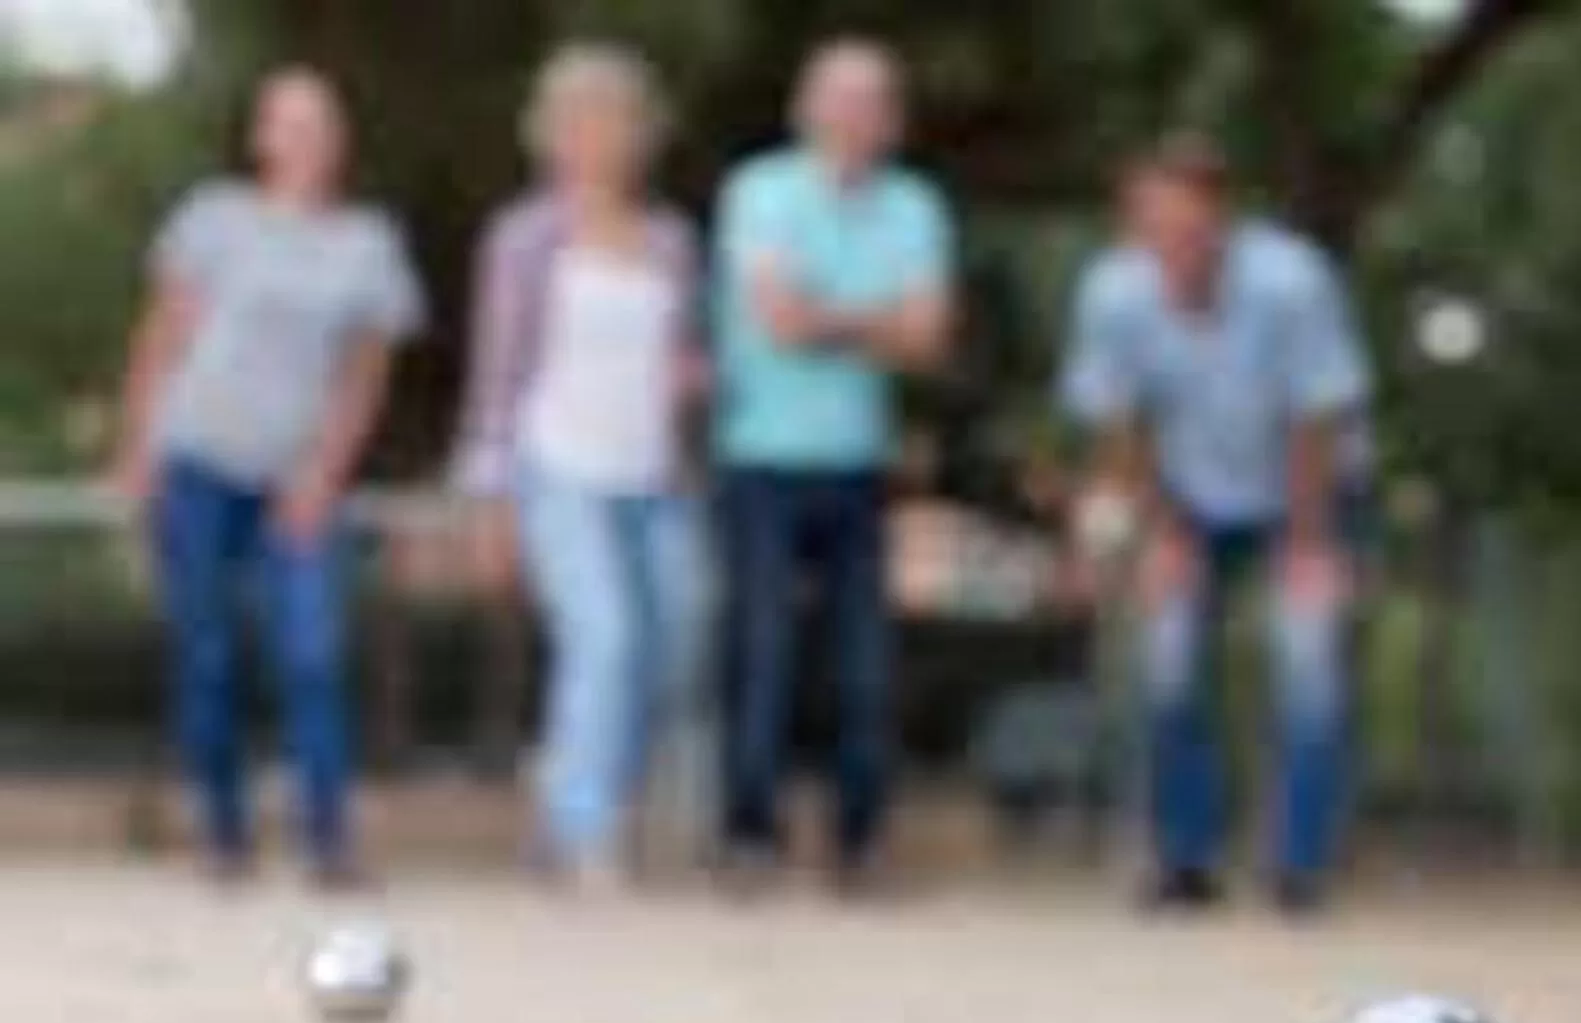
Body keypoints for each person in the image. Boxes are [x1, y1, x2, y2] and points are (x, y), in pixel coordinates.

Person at [110, 67, 425, 887]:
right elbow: (161, 339)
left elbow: (364, 379)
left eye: (318, 123)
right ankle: (224, 835)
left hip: (298, 481)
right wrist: (138, 448)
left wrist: (323, 473)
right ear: (260, 137)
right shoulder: (212, 220)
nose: (302, 139)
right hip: (199, 463)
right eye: (286, 123)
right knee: (207, 655)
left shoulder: (367, 245)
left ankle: (329, 840)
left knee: (313, 654)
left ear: (339, 139)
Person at [1062, 136, 1373, 916]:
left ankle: (1299, 867)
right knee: (1170, 670)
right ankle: (1185, 859)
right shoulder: (1114, 292)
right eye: (1152, 228)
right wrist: (1161, 531)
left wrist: (1309, 542)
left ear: (1220, 219)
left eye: (1186, 228)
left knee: (1309, 669)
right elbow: (1121, 423)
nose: (1171, 247)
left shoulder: (1292, 280)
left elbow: (1318, 417)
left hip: (1300, 489)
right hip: (1186, 494)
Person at [453, 44, 710, 891]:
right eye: (579, 122)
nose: (597, 137)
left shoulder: (672, 242)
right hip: (556, 467)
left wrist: (697, 379)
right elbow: (495, 374)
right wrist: (488, 499)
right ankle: (583, 831)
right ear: (552, 136)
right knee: (603, 637)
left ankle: (575, 779)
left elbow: (687, 362)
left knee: (671, 642)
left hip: (653, 476)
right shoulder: (523, 238)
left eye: (614, 120)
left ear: (642, 136)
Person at [711, 38, 955, 893]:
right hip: (760, 461)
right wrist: (875, 323)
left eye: (870, 101)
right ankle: (749, 834)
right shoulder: (758, 191)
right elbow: (780, 320)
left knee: (864, 666)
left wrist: (829, 320)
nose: (853, 117)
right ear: (805, 109)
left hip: (857, 465)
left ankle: (860, 841)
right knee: (764, 654)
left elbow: (927, 336)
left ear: (890, 120)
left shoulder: (916, 205)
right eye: (837, 98)